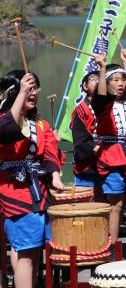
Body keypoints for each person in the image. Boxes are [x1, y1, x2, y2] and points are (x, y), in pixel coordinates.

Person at [0, 70, 64, 288]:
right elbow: (7, 129)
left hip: (38, 193)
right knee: (26, 254)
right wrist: (21, 94)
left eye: (35, 87)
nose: (33, 92)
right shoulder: (3, 120)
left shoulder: (40, 124)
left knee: (34, 253)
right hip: (15, 194)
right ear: (13, 93)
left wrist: (55, 176)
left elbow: (50, 153)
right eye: (27, 88)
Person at [92, 53, 126, 244]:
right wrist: (101, 68)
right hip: (111, 156)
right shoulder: (103, 105)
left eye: (122, 79)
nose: (121, 83)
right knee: (115, 203)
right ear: (106, 83)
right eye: (115, 79)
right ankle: (113, 246)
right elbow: (99, 97)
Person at [70, 69, 100, 194]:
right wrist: (98, 148)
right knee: (88, 207)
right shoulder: (81, 110)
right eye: (94, 79)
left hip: (108, 164)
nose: (98, 81)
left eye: (101, 79)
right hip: (87, 167)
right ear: (85, 86)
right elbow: (80, 140)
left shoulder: (111, 106)